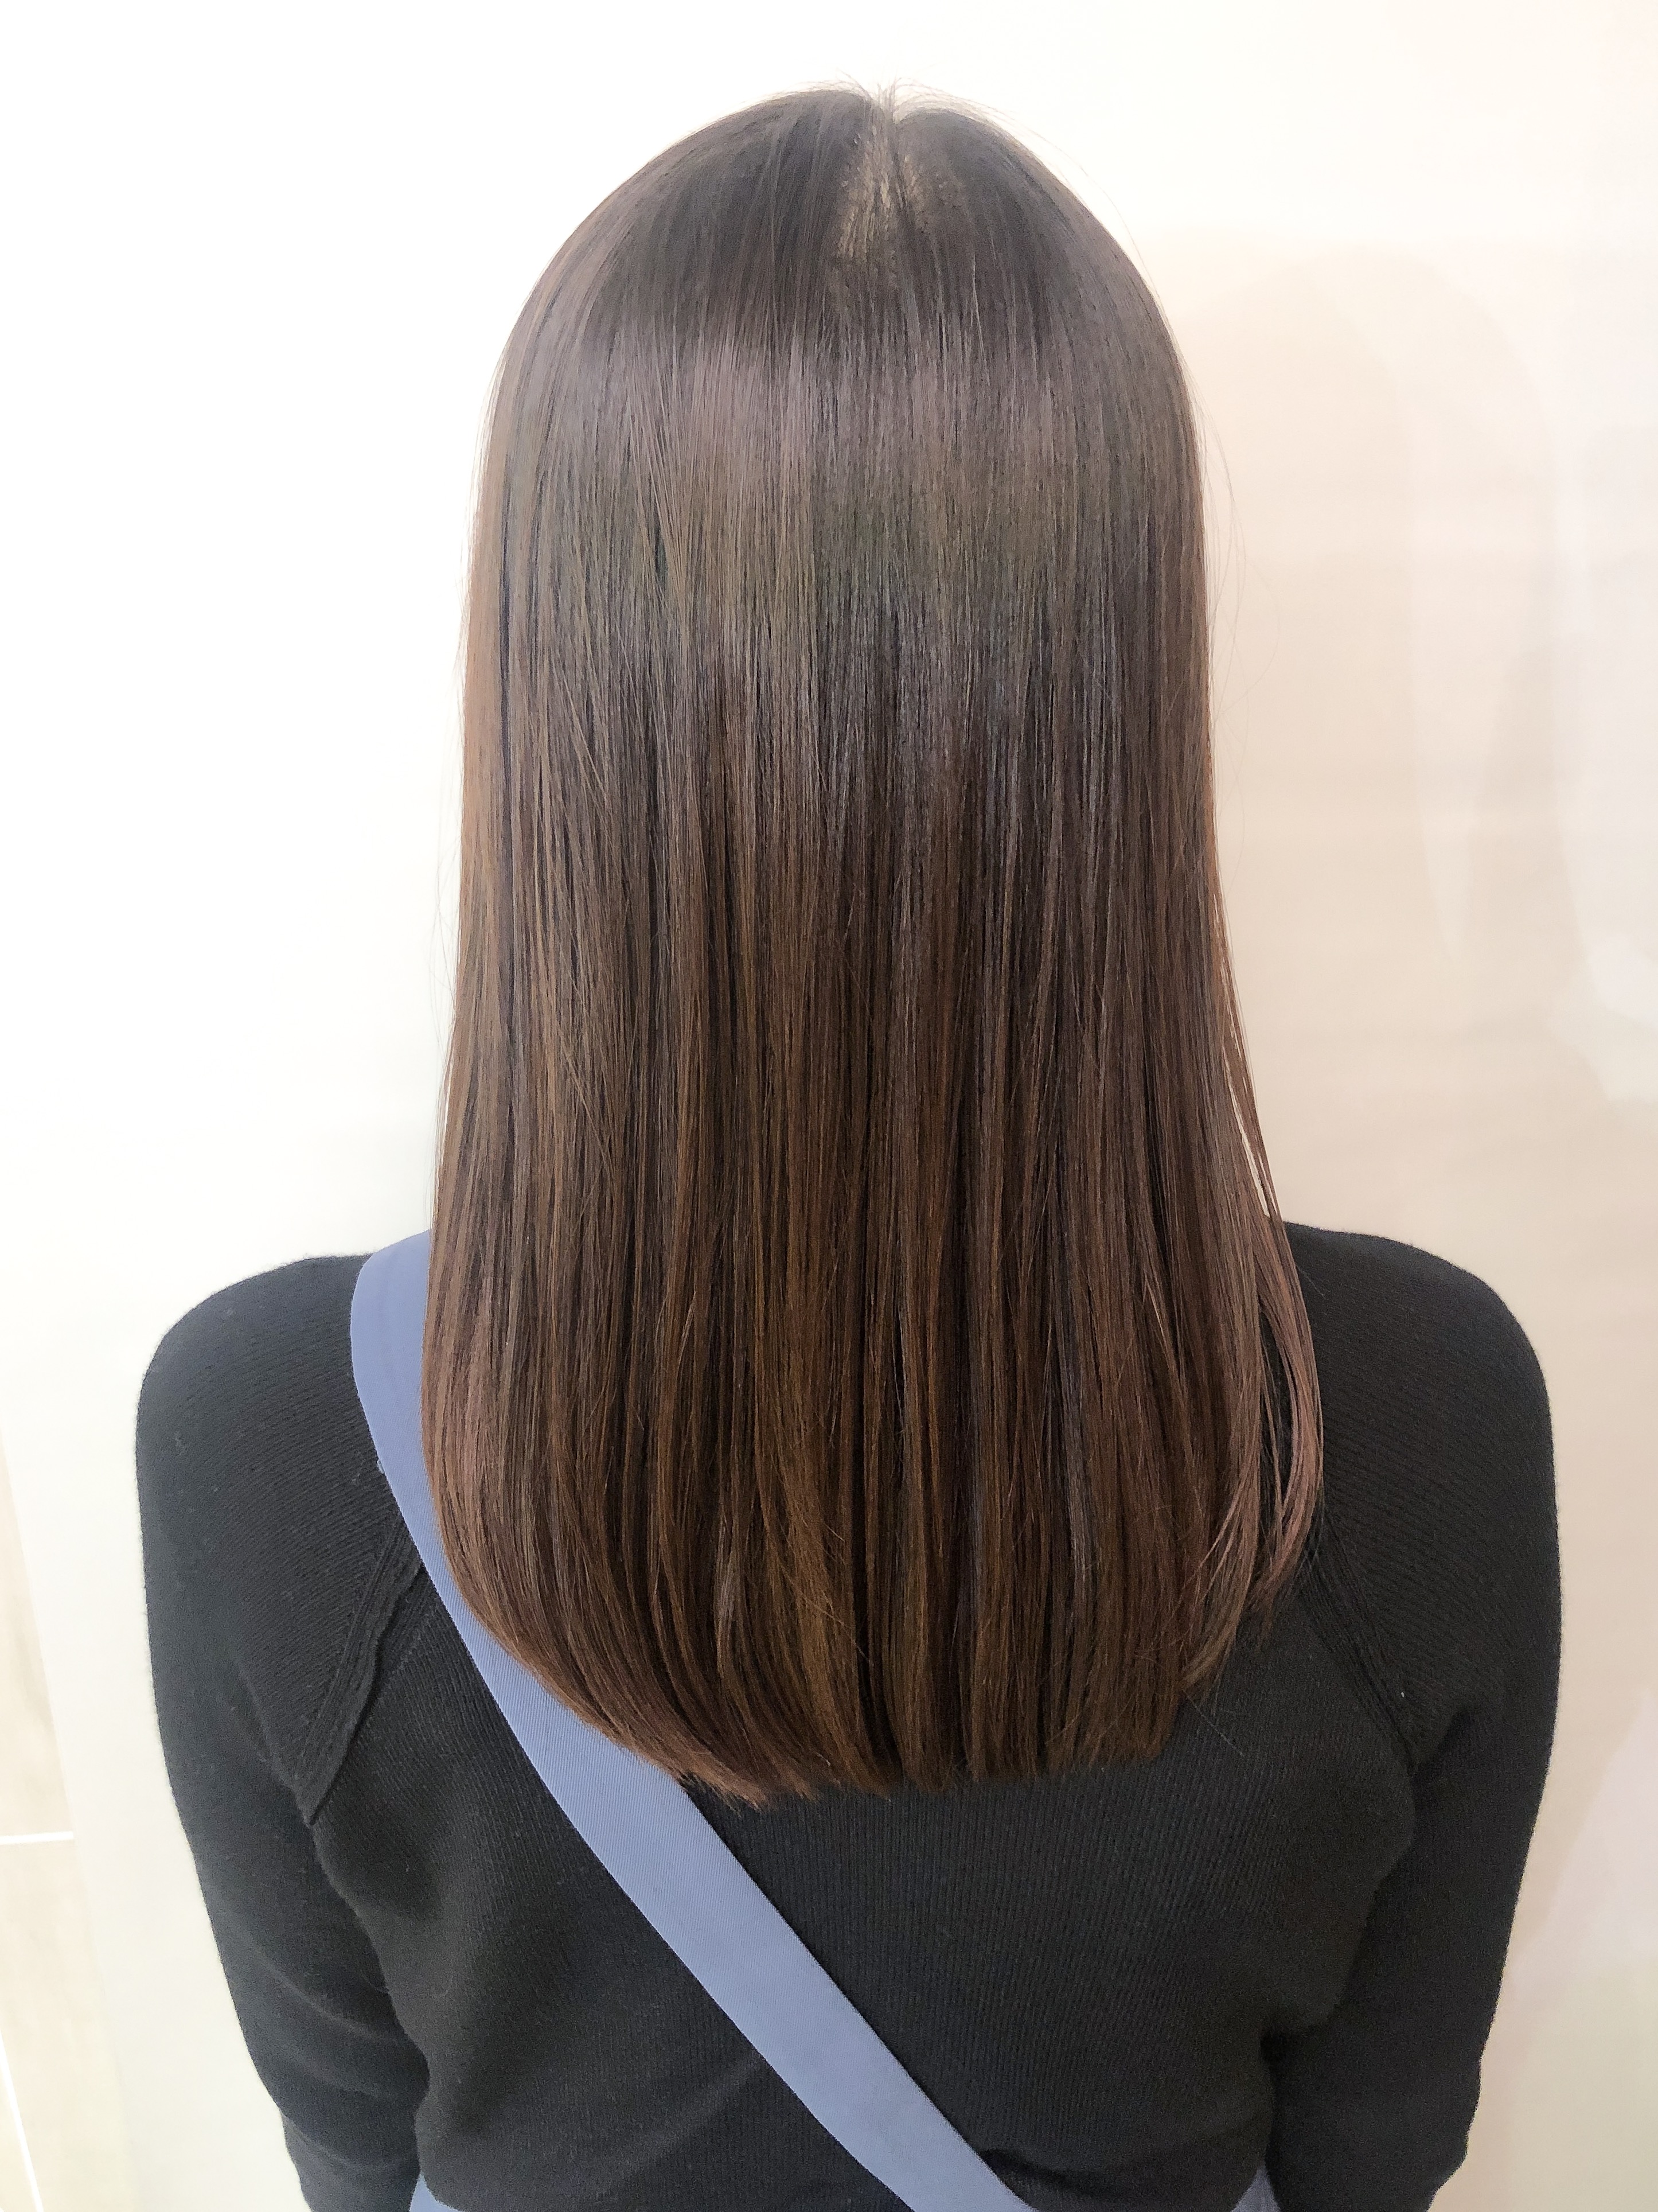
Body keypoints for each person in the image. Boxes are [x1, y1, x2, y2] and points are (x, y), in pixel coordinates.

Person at [135, 82, 1560, 2212]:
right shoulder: (1419, 1421)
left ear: (554, 692)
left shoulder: (258, 1441)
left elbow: (361, 2146)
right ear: (1118, 693)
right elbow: (1371, 2157)